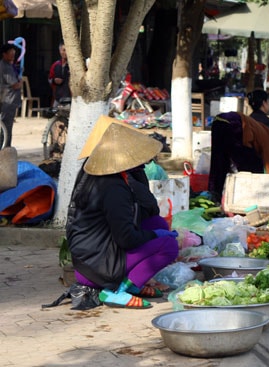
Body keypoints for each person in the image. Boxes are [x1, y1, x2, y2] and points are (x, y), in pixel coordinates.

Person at [66, 121, 179, 309]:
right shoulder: (114, 189)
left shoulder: (103, 175)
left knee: (156, 223)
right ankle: (118, 291)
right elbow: (126, 238)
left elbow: (148, 212)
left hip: (89, 258)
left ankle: (133, 283)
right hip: (96, 268)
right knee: (168, 246)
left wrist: (155, 230)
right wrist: (155, 236)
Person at [208, 111, 269, 198]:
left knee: (219, 160)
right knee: (252, 165)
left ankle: (215, 193)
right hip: (234, 124)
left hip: (218, 121)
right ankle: (248, 196)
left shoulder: (260, 127)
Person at [0, 43, 22, 148]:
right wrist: (20, 82)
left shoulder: (8, 65)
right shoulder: (5, 66)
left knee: (6, 125)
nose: (13, 55)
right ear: (4, 54)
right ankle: (5, 148)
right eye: (11, 53)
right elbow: (15, 85)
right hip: (8, 99)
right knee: (6, 126)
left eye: (14, 53)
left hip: (8, 99)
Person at [48, 41, 71, 107]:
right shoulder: (55, 65)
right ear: (60, 51)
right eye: (63, 50)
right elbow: (49, 79)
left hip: (70, 98)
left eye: (67, 50)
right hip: (58, 98)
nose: (65, 52)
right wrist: (54, 81)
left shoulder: (73, 66)